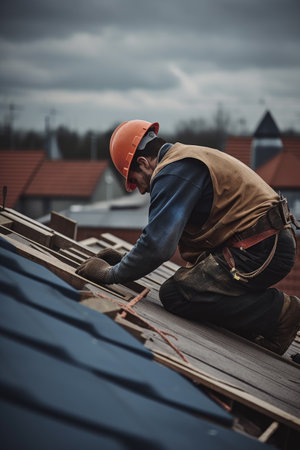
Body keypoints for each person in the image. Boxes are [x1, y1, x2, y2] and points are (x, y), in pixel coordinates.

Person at [76, 119, 300, 355]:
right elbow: (160, 238)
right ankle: (266, 327)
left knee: (178, 294)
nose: (141, 190)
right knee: (191, 282)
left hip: (261, 247)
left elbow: (157, 246)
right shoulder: (182, 160)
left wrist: (110, 274)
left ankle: (283, 314)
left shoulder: (174, 171)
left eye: (135, 181)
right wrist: (126, 259)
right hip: (259, 244)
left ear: (143, 162)